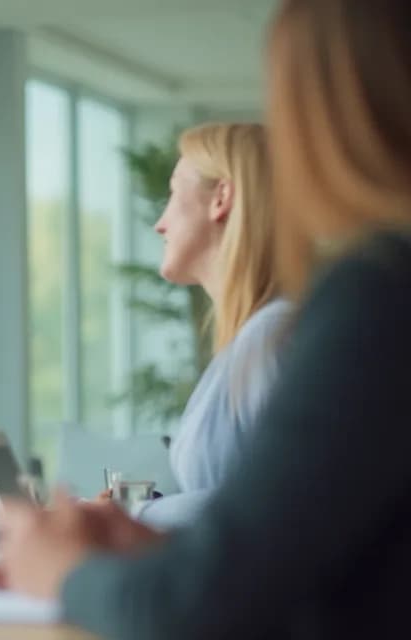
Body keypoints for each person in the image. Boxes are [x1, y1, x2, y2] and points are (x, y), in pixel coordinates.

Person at [0, 0, 411, 637]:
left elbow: (198, 609)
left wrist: (59, 569)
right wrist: (161, 552)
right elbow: (362, 558)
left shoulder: (394, 292)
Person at [118, 122, 293, 528]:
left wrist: (136, 516)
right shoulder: (255, 338)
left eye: (174, 193)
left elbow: (281, 504)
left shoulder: (271, 338)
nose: (159, 223)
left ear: (221, 198)